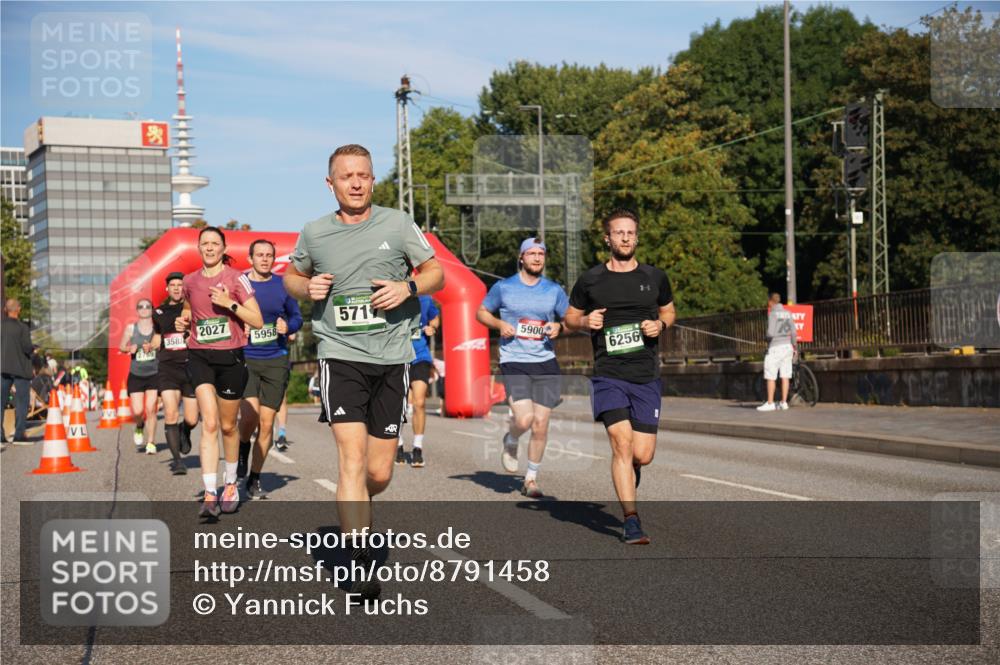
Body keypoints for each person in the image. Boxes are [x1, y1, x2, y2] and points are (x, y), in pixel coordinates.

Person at [284, 143, 444, 600]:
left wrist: (407, 286)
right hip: (340, 353)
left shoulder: (396, 223)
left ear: (373, 180)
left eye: (363, 175)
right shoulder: (314, 233)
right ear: (329, 182)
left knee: (379, 473)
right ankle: (357, 563)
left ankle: (360, 505)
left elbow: (437, 274)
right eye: (346, 175)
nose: (355, 183)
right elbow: (292, 277)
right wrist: (306, 286)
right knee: (350, 461)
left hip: (392, 357)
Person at [564, 209, 675, 545]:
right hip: (608, 375)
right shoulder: (591, 280)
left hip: (645, 375)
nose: (625, 238)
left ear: (636, 237)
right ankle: (631, 520)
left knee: (642, 454)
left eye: (630, 233)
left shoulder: (655, 277)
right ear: (607, 239)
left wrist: (661, 325)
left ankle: (631, 471)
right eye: (618, 233)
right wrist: (585, 323)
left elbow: (668, 310)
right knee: (621, 444)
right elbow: (570, 318)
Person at [177, 226, 263, 517]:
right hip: (199, 356)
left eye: (215, 244)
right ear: (199, 248)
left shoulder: (236, 278)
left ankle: (230, 483)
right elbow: (188, 310)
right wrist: (183, 321)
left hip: (230, 358)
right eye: (205, 244)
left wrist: (230, 303)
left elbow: (258, 320)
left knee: (228, 426)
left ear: (224, 249)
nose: (210, 248)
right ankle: (210, 492)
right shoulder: (190, 281)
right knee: (209, 423)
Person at [476, 238, 568, 497]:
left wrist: (560, 326)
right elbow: (480, 312)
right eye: (532, 254)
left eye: (541, 254)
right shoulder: (504, 288)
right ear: (521, 257)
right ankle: (511, 439)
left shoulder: (553, 290)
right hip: (514, 360)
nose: (537, 258)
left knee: (541, 425)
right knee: (525, 419)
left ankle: (530, 479)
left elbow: (570, 317)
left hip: (546, 362)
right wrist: (498, 324)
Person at [237, 239, 303, 499]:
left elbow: (297, 316)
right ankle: (243, 447)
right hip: (246, 358)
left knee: (266, 425)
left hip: (276, 358)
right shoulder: (239, 284)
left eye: (269, 255)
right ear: (250, 258)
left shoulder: (283, 285)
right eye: (259, 255)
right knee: (249, 418)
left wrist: (290, 327)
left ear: (273, 259)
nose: (264, 259)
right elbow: (223, 313)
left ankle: (254, 477)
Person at [151, 272, 201, 475]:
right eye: (173, 285)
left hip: (189, 366)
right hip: (168, 367)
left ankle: (184, 430)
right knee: (170, 413)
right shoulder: (159, 312)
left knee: (192, 419)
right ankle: (178, 461)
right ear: (167, 288)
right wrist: (151, 345)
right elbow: (156, 336)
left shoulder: (193, 309)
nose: (177, 288)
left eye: (180, 285)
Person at [396, 295, 440, 468]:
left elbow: (435, 317)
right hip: (397, 357)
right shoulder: (392, 297)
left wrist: (432, 327)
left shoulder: (425, 300)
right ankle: (398, 445)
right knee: (398, 403)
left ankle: (417, 448)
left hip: (420, 356)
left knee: (419, 402)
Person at [118, 298, 160, 454]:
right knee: (137, 411)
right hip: (136, 373)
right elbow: (121, 346)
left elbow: (162, 343)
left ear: (152, 309)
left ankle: (151, 442)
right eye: (140, 307)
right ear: (137, 310)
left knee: (151, 409)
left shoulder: (157, 328)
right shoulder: (131, 328)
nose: (144, 309)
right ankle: (139, 425)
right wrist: (130, 347)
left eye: (147, 306)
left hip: (154, 373)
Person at [2, 298, 34, 445]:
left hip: (2, 369)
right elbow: (27, 348)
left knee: (1, 402)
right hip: (20, 369)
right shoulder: (23, 328)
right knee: (22, 402)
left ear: (5, 310)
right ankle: (19, 435)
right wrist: (34, 348)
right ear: (18, 310)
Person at [757, 292, 797, 412]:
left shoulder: (773, 314)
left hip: (775, 347)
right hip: (787, 346)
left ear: (770, 302)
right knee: (785, 375)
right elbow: (794, 332)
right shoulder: (788, 313)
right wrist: (794, 346)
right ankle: (784, 402)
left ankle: (770, 403)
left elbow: (770, 333)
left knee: (771, 375)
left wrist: (766, 339)